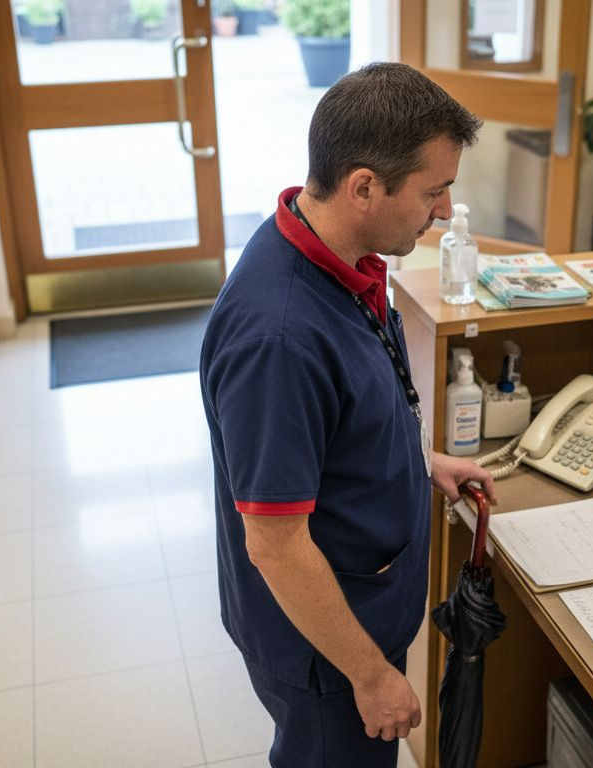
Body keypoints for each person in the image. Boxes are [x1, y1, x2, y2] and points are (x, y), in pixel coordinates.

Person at [198, 63, 495, 767]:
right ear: (364, 187)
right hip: (328, 654)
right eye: (433, 190)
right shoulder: (278, 337)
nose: (445, 209)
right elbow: (275, 544)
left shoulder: (338, 254)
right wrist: (369, 676)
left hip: (361, 606)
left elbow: (344, 413)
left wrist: (420, 462)